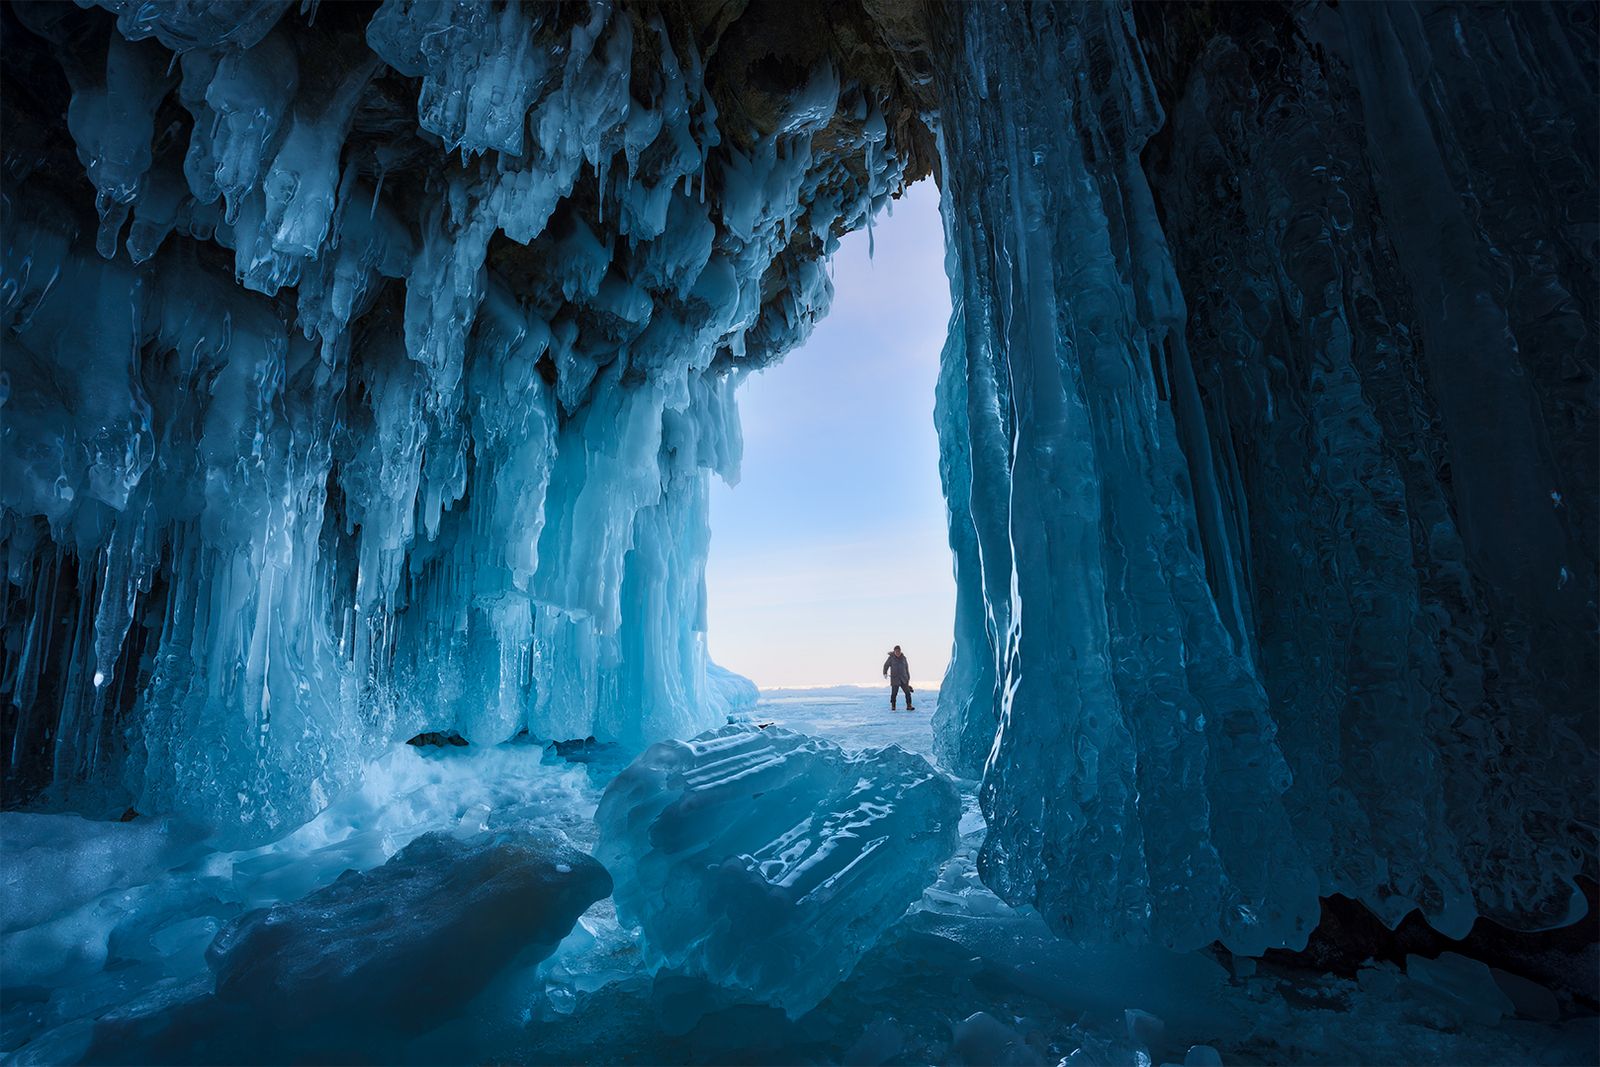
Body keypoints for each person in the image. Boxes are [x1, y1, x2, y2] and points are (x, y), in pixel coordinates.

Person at [882, 645, 914, 711]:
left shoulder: (904, 658)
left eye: (899, 651)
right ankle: (893, 706)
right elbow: (886, 665)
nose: (898, 652)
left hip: (903, 678)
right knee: (894, 693)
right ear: (894, 651)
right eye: (896, 651)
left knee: (908, 692)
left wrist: (908, 677)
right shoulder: (891, 658)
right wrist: (885, 673)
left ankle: (909, 706)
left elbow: (906, 668)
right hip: (895, 679)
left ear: (900, 651)